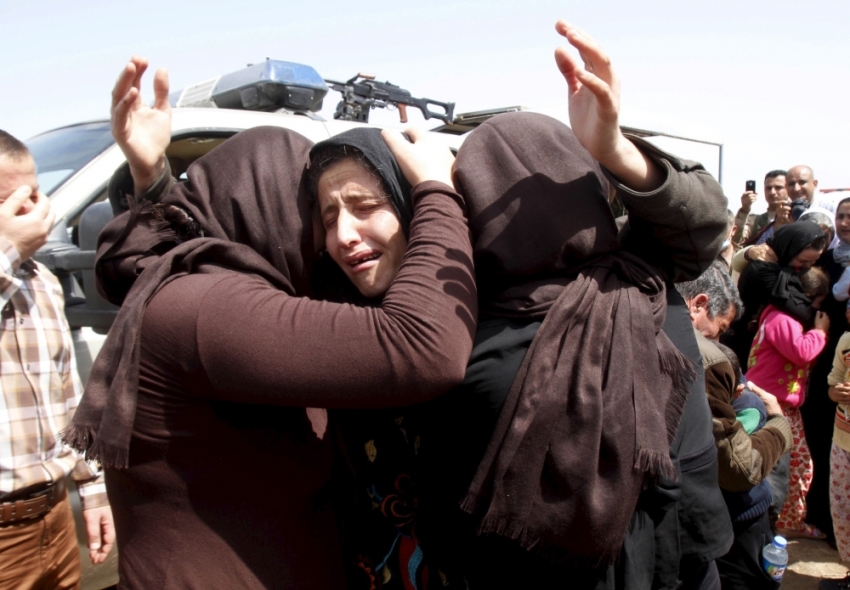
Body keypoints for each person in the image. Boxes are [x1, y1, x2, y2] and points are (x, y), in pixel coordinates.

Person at [65, 58, 478, 588]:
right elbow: (424, 350)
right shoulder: (201, 306)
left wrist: (155, 183)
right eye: (320, 217)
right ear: (267, 212)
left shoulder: (205, 284)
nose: (333, 242)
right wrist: (437, 193)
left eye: (363, 208)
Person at [414, 21, 732, 590]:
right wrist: (614, 150)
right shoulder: (649, 283)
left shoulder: (470, 348)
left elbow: (445, 521)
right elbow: (705, 220)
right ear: (587, 187)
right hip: (682, 565)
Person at [0, 130, 114, 588]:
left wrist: (92, 489)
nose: (30, 214)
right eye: (10, 202)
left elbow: (67, 400)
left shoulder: (41, 281)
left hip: (52, 520)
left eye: (33, 196)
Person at [677, 261, 792, 590]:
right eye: (719, 330)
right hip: (726, 519)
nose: (719, 339)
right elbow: (740, 470)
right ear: (698, 305)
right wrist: (780, 426)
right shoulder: (709, 360)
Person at [745, 267, 830, 540]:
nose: (816, 311)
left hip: (781, 405)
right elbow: (802, 352)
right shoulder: (783, 319)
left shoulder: (780, 316)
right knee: (791, 465)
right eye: (815, 304)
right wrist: (820, 332)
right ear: (805, 297)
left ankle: (783, 517)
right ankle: (782, 520)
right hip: (772, 405)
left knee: (794, 464)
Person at [725, 221, 827, 368]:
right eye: (803, 261)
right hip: (743, 347)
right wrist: (820, 326)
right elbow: (801, 310)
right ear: (789, 249)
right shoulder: (764, 270)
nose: (807, 267)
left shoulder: (783, 267)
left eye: (814, 261)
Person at [822, 329, 850, 590]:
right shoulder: (846, 341)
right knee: (843, 513)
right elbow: (833, 384)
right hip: (842, 442)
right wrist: (836, 393)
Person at [733, 170, 787, 248]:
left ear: (788, 188)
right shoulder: (754, 221)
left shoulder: (798, 217)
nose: (772, 192)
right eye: (768, 188)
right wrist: (744, 209)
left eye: (778, 187)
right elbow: (736, 241)